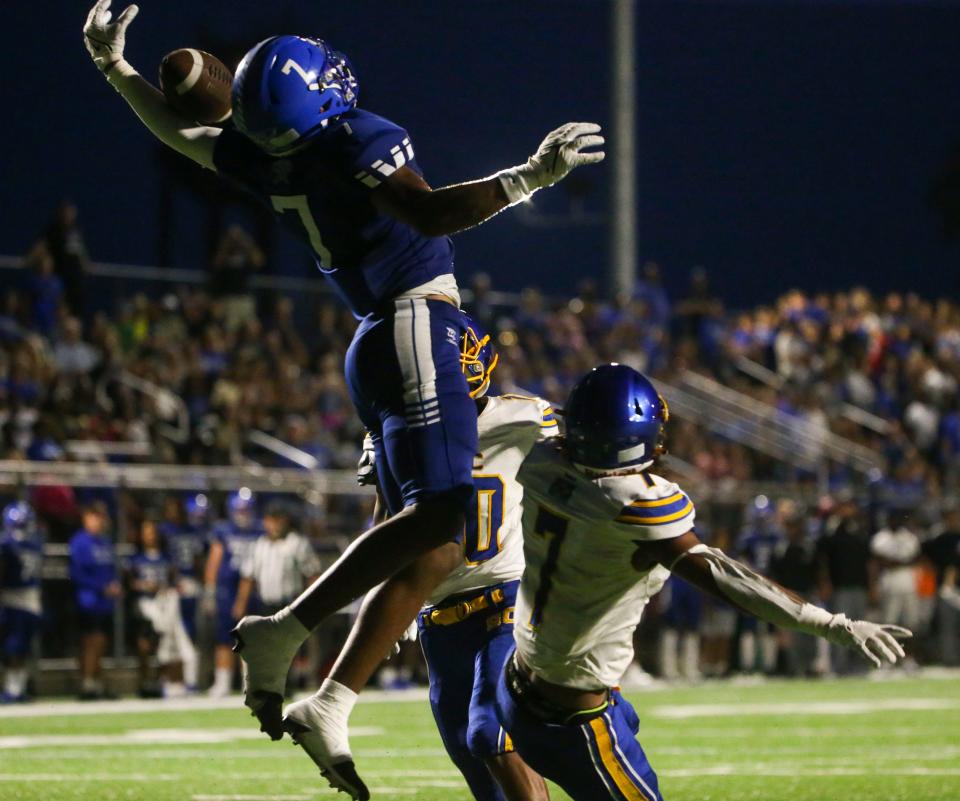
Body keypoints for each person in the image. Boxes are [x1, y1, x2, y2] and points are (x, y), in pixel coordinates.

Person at [84, 6, 603, 785]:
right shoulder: (355, 141)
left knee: (432, 541)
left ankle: (331, 700)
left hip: (386, 332)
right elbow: (430, 210)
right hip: (411, 321)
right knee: (444, 518)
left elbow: (182, 134)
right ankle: (284, 630)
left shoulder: (267, 157)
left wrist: (114, 69)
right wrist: (530, 176)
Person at [494, 364, 911, 801]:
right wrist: (830, 624)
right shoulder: (634, 502)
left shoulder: (534, 458)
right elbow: (726, 578)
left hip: (518, 684)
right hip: (571, 714)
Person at [290, 320, 551, 800]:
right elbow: (388, 523)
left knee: (489, 732)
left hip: (505, 600)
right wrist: (386, 600)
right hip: (439, 618)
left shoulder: (522, 418)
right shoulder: (396, 430)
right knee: (473, 760)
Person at [203, 489, 264, 697]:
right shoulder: (224, 530)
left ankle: (249, 681)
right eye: (239, 509)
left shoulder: (259, 530)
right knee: (224, 637)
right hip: (227, 590)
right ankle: (223, 681)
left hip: (253, 589)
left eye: (246, 509)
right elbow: (214, 559)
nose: (243, 513)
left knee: (251, 639)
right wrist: (210, 590)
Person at [129, 514, 195, 698]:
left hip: (165, 606)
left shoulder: (167, 558)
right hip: (145, 605)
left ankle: (163, 680)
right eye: (146, 531)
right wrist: (145, 586)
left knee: (168, 642)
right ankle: (144, 682)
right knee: (144, 644)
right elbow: (131, 583)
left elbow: (174, 581)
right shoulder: (136, 558)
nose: (150, 535)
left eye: (153, 531)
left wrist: (166, 588)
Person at [815, 491, 875, 675]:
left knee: (860, 628)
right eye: (844, 506)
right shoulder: (831, 529)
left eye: (850, 506)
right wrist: (824, 583)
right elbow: (822, 558)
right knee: (841, 628)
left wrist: (872, 585)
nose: (847, 509)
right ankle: (838, 667)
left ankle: (860, 666)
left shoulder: (861, 528)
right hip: (840, 586)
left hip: (859, 585)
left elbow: (869, 560)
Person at [232, 502, 321, 620]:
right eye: (271, 520)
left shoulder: (297, 543)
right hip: (266, 606)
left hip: (291, 606)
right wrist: (241, 603)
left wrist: (313, 604)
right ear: (265, 521)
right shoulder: (259, 545)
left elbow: (313, 575)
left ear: (286, 521)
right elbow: (248, 577)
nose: (275, 525)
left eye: (279, 520)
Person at [68, 502, 120, 700]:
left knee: (101, 642)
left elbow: (110, 570)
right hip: (87, 599)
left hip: (104, 602)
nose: (97, 521)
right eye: (93, 516)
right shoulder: (80, 542)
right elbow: (76, 573)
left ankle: (96, 682)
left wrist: (114, 584)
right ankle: (88, 682)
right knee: (91, 641)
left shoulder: (105, 542)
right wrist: (101, 587)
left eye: (100, 517)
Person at [158, 493, 208, 690]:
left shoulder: (192, 531)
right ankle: (172, 679)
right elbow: (163, 560)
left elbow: (197, 559)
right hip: (172, 587)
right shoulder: (164, 531)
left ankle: (189, 679)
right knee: (170, 633)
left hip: (190, 583)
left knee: (190, 630)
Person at [0, 502, 43, 702]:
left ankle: (13, 689)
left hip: (13, 598)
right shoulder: (35, 543)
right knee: (21, 647)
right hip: (31, 599)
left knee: (13, 647)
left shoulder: (8, 545)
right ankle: (18, 686)